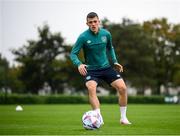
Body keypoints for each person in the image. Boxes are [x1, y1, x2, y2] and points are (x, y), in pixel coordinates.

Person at [70, 12, 131, 125]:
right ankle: (98, 117)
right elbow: (73, 54)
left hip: (106, 67)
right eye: (90, 22)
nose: (93, 24)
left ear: (99, 21)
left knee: (123, 88)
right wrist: (79, 64)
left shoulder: (106, 34)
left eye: (95, 21)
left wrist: (115, 61)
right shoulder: (83, 37)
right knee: (91, 88)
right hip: (91, 70)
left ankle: (123, 118)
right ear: (87, 23)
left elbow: (110, 48)